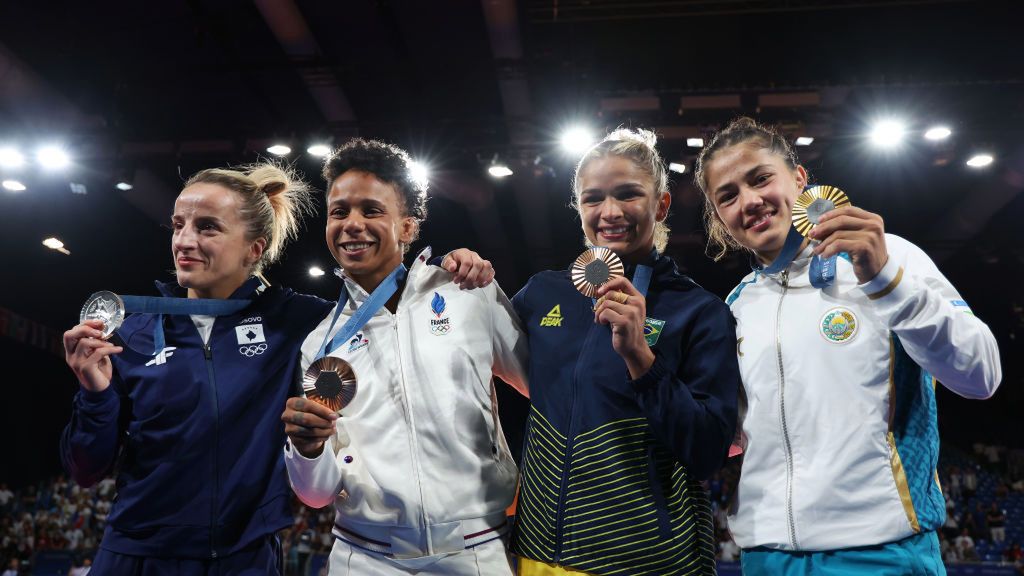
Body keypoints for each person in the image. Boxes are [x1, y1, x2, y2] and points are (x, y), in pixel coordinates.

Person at [59, 161, 494, 574]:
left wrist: (445, 271)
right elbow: (85, 469)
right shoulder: (133, 332)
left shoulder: (298, 322)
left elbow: (382, 308)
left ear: (255, 248)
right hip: (136, 555)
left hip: (244, 559)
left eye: (206, 227)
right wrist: (94, 395)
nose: (184, 241)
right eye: (178, 225)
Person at [694, 116, 1003, 574]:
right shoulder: (737, 306)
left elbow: (981, 374)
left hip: (879, 550)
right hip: (764, 554)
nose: (750, 201)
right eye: (729, 195)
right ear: (720, 216)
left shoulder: (888, 256)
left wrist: (886, 283)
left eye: (761, 179)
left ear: (798, 180)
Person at [281, 138, 529, 575]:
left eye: (371, 210)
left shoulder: (468, 292)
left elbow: (543, 389)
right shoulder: (321, 342)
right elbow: (317, 495)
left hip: (475, 552)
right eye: (339, 211)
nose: (351, 224)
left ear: (408, 227)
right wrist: (306, 450)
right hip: (363, 559)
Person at [510, 128, 741, 575]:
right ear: (578, 209)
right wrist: (463, 271)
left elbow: (708, 453)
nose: (609, 212)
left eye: (628, 194)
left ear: (661, 204)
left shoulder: (699, 312)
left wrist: (640, 357)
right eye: (593, 198)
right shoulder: (542, 294)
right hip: (540, 556)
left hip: (648, 560)